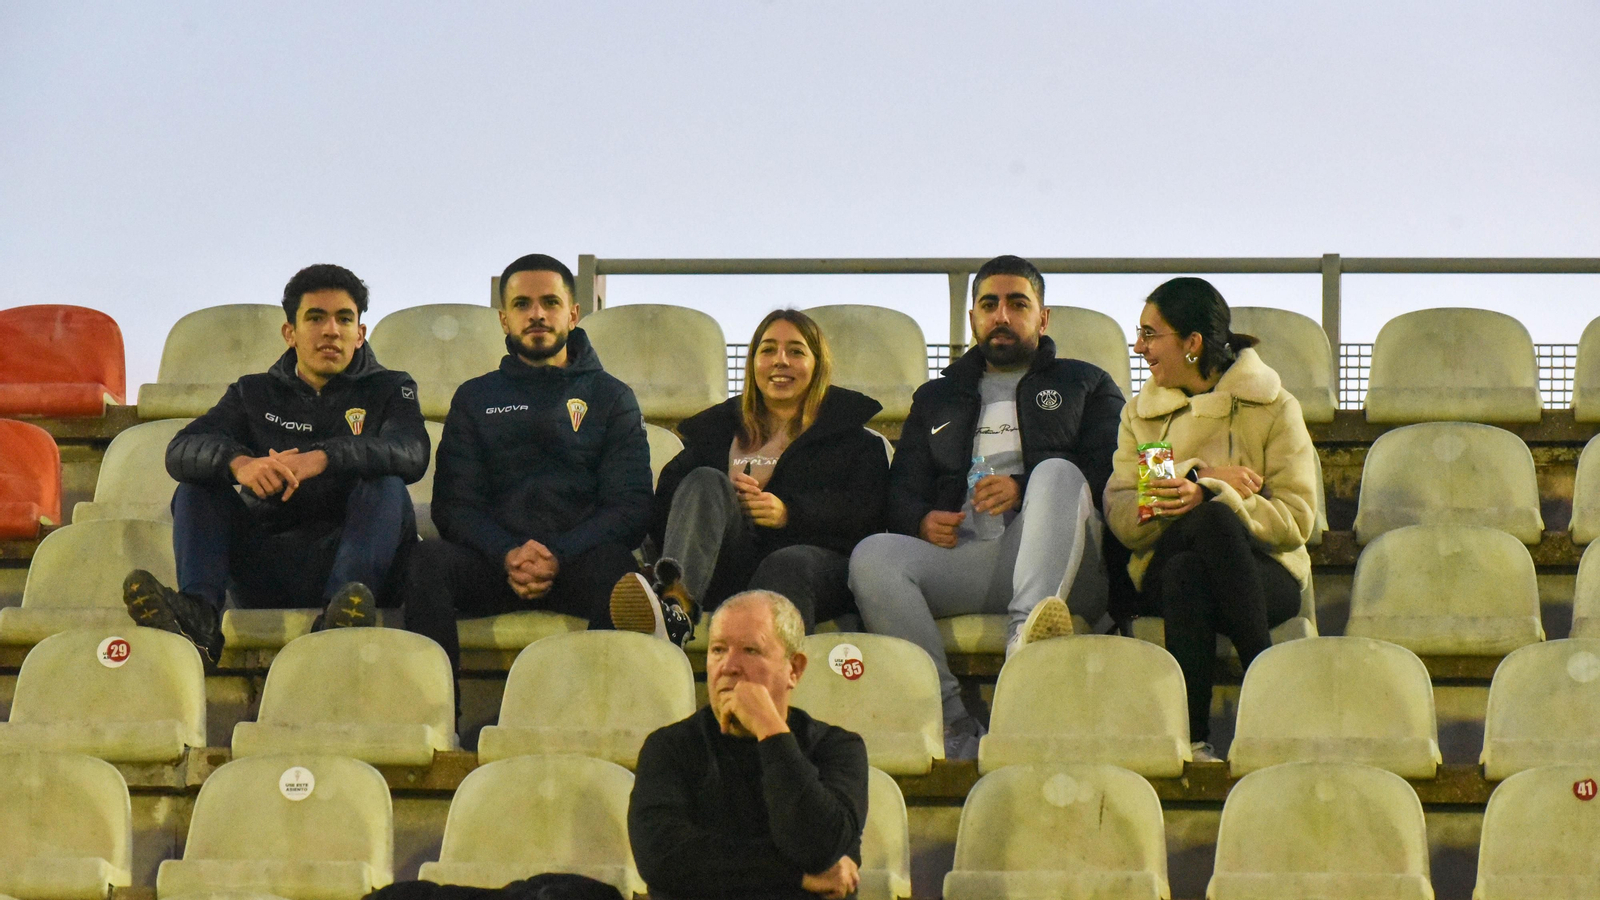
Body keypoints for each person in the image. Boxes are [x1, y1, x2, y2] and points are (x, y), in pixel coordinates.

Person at [849, 254, 1125, 759]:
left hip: (1067, 567)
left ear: (1042, 319)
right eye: (989, 304)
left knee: (1057, 472)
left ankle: (1026, 642)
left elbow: (1110, 473)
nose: (1002, 315)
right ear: (973, 317)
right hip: (974, 558)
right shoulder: (936, 397)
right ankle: (951, 721)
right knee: (872, 556)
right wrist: (920, 519)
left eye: (1017, 304)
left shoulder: (1086, 382)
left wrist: (1022, 486)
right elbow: (901, 491)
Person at [123, 264, 429, 664]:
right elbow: (181, 449)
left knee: (386, 485)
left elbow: (411, 453)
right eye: (315, 318)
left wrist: (323, 457)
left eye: (344, 319)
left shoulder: (391, 387)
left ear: (360, 334)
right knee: (197, 487)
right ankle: (197, 615)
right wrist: (240, 463)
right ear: (290, 333)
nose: (331, 330)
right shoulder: (253, 393)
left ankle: (344, 617)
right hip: (270, 564)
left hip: (358, 565)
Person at [401, 254, 652, 674]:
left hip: (578, 563)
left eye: (550, 303)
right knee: (426, 563)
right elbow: (453, 506)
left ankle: (583, 717)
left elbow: (631, 507)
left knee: (619, 571)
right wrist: (506, 553)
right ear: (504, 320)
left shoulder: (612, 397)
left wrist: (559, 554)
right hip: (493, 564)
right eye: (522, 305)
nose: (537, 314)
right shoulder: (474, 398)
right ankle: (438, 716)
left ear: (573, 314)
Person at [1104, 277, 1318, 762]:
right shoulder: (1143, 416)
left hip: (1267, 572)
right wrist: (1204, 477)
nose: (1139, 348)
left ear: (1192, 343)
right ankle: (1269, 704)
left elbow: (1297, 520)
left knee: (1196, 564)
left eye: (1150, 335)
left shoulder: (1275, 407)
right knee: (1199, 536)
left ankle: (1194, 739)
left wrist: (1210, 495)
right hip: (1160, 560)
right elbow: (1128, 520)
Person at [612, 309, 888, 645]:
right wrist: (721, 507)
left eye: (796, 351)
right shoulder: (715, 432)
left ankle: (775, 682)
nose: (780, 361)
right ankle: (675, 611)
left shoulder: (855, 440)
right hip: (726, 566)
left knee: (786, 564)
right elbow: (666, 505)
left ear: (818, 364)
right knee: (704, 481)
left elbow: (867, 513)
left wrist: (789, 513)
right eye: (768, 350)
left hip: (812, 568)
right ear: (752, 363)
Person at [629, 590, 868, 900]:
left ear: (793, 669)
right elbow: (662, 858)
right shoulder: (669, 747)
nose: (729, 666)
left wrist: (770, 729)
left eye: (750, 651)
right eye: (717, 650)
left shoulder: (837, 748)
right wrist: (795, 875)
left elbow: (817, 844)